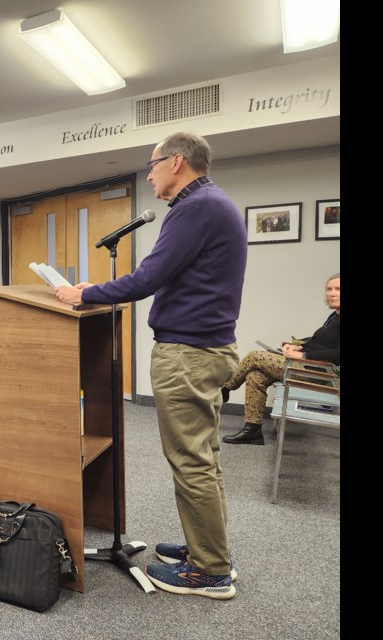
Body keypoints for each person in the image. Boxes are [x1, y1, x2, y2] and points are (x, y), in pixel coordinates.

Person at [54, 132, 246, 600]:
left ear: (177, 162)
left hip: (188, 354)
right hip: (206, 350)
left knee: (192, 462)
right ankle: (208, 549)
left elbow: (148, 279)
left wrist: (84, 294)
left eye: (153, 164)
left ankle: (211, 572)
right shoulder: (213, 203)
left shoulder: (195, 208)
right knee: (204, 460)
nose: (149, 173)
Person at [221, 273, 340, 445]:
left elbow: (337, 355)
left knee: (255, 356)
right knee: (255, 376)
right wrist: (300, 346)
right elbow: (320, 342)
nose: (332, 293)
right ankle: (252, 430)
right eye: (329, 289)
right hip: (305, 366)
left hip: (315, 373)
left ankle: (226, 388)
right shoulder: (334, 316)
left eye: (337, 289)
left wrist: (303, 355)